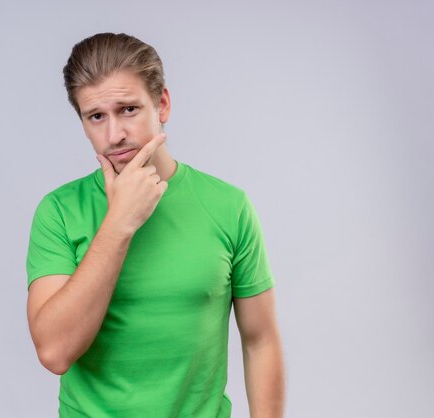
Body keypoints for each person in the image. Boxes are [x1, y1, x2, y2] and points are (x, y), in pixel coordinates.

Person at [26, 32, 285, 418]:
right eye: (96, 116)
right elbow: (55, 352)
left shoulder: (228, 206)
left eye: (128, 109)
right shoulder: (59, 212)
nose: (115, 135)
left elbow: (260, 340)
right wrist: (118, 224)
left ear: (161, 104)